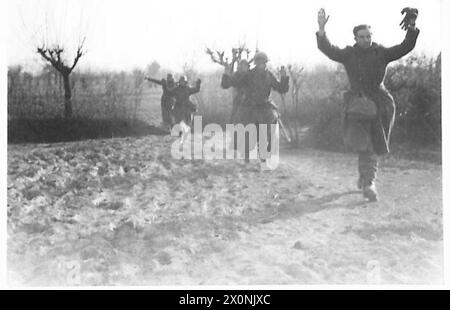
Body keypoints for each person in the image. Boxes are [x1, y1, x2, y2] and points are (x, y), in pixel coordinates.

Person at [316, 8, 419, 201]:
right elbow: (329, 50)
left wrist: (411, 26)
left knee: (371, 144)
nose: (366, 39)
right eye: (362, 37)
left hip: (379, 104)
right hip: (356, 104)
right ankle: (368, 181)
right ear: (355, 38)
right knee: (365, 145)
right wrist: (321, 30)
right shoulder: (348, 54)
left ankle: (366, 179)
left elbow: (404, 47)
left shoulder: (381, 53)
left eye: (369, 36)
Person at [222, 52, 289, 165]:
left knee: (269, 129)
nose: (261, 65)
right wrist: (227, 74)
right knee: (248, 133)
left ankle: (263, 156)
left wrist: (284, 77)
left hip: (264, 106)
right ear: (256, 63)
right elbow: (228, 84)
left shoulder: (269, 75)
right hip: (250, 107)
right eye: (259, 63)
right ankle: (246, 156)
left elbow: (281, 88)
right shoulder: (248, 75)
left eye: (263, 63)